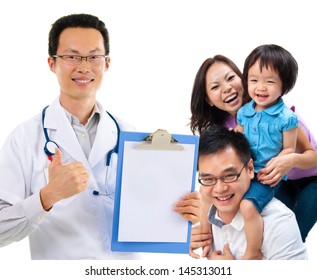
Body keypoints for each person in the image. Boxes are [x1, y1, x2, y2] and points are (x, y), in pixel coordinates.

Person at [0, 13, 201, 260]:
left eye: (94, 57)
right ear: (52, 63)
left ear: (106, 63)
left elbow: (153, 218)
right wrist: (47, 196)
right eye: (72, 56)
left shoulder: (134, 138)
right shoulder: (24, 139)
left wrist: (182, 212)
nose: (84, 67)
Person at [189, 53, 317, 258]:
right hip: (274, 180)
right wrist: (204, 232)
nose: (227, 88)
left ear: (243, 78)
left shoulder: (280, 115)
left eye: (231, 78)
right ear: (208, 100)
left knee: (289, 231)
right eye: (215, 87)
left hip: (311, 179)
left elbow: (313, 156)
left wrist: (290, 159)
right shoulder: (228, 127)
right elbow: (212, 182)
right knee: (259, 224)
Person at [197, 124, 307, 260]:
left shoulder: (279, 222)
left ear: (250, 169)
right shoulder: (200, 216)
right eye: (208, 179)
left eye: (229, 176)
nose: (219, 188)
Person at [234, 44, 299, 259]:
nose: (260, 87)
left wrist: (275, 166)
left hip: (266, 175)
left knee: (247, 206)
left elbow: (289, 149)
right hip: (245, 170)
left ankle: (253, 252)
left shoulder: (286, 118)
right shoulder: (243, 112)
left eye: (270, 81)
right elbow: (239, 141)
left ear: (284, 85)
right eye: (254, 80)